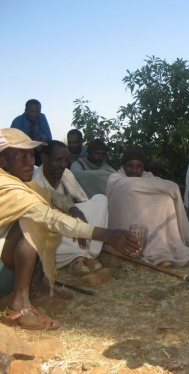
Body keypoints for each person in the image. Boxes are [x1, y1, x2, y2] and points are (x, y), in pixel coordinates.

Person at [0, 128, 139, 330]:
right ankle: (18, 307)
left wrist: (74, 209)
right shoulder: (6, 185)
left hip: (7, 267)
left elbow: (51, 196)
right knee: (33, 221)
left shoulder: (18, 180)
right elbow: (49, 216)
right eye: (23, 156)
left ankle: (35, 289)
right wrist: (106, 234)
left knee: (39, 218)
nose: (31, 161)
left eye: (31, 155)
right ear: (3, 161)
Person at [107, 145, 189, 267]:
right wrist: (169, 186)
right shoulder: (115, 179)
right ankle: (157, 253)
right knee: (135, 195)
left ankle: (174, 247)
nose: (134, 170)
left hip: (148, 222)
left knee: (166, 199)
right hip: (126, 226)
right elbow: (130, 187)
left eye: (139, 166)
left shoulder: (148, 177)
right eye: (130, 165)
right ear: (123, 166)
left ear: (144, 167)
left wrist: (167, 188)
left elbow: (162, 187)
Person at [33, 140, 107, 274]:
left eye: (66, 161)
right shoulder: (35, 181)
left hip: (73, 221)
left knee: (100, 200)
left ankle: (87, 253)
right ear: (44, 158)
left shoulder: (66, 174)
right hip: (53, 225)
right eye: (58, 160)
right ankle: (79, 256)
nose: (63, 165)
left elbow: (83, 200)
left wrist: (79, 219)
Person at [11, 99, 52, 166]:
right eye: (32, 111)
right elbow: (14, 143)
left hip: (39, 151)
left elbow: (49, 137)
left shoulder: (41, 117)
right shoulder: (17, 121)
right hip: (22, 152)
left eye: (37, 111)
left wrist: (40, 138)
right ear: (26, 111)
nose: (35, 114)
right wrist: (32, 143)